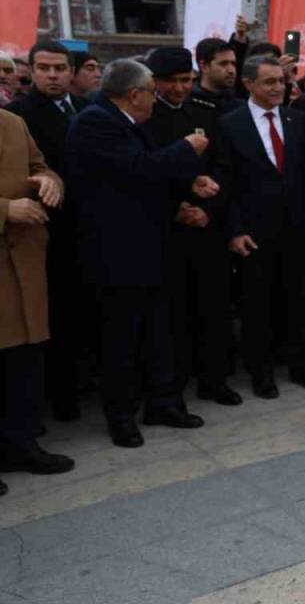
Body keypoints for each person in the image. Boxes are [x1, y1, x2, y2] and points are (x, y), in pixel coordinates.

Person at [65, 59, 219, 448]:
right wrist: (187, 149)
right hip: (116, 253)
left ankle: (162, 403)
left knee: (157, 332)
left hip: (151, 246)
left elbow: (150, 179)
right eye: (152, 91)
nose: (155, 98)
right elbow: (136, 171)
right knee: (121, 340)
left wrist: (189, 185)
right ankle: (121, 416)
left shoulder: (132, 124)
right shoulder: (96, 122)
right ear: (134, 94)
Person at [216, 55, 305, 398]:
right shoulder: (229, 124)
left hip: (298, 226)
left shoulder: (299, 120)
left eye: (281, 80)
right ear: (248, 84)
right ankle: (260, 372)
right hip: (254, 231)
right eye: (269, 82)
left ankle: (300, 365)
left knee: (301, 299)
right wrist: (234, 230)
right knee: (257, 305)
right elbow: (227, 182)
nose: (278, 87)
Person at [140, 47, 242, 408]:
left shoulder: (205, 112)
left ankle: (214, 379)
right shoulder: (144, 118)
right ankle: (172, 387)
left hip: (208, 227)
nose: (181, 89)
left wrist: (208, 208)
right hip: (166, 231)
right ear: (155, 83)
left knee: (214, 308)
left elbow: (224, 166)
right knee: (173, 315)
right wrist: (178, 208)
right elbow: (144, 171)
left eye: (186, 81)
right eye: (173, 82)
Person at [5, 41, 91, 422]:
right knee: (48, 323)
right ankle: (58, 400)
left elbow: (42, 166)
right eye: (44, 68)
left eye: (59, 68)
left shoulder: (86, 110)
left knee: (79, 316)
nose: (52, 75)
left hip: (85, 231)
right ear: (32, 71)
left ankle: (78, 388)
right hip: (35, 238)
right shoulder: (19, 114)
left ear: (71, 71)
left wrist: (48, 177)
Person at [0, 108, 75, 496]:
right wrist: (5, 209)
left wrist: (50, 182)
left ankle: (22, 445)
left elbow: (40, 166)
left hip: (23, 264)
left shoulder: (13, 123)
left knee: (24, 360)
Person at [193, 38, 243, 114]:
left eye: (233, 64)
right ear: (203, 66)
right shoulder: (185, 105)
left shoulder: (241, 107)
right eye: (223, 64)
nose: (231, 70)